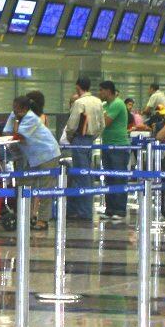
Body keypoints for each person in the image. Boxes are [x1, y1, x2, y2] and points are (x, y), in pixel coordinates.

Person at [7, 93, 60, 231]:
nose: (14, 110)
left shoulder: (31, 117)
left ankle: (43, 220)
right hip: (31, 157)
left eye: (17, 108)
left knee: (45, 187)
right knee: (24, 184)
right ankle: (25, 216)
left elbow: (19, 136)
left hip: (48, 154)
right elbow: (7, 132)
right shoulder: (14, 115)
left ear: (25, 109)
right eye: (13, 107)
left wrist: (16, 122)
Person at [63, 77, 106, 222]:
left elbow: (72, 125)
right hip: (90, 141)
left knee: (81, 176)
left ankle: (84, 211)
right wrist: (93, 137)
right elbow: (102, 125)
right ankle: (79, 209)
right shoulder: (98, 102)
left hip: (79, 140)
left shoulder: (79, 103)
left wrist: (71, 138)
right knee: (87, 174)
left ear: (77, 87)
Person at [97, 80, 131, 220]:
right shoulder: (105, 105)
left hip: (119, 147)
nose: (99, 93)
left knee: (119, 178)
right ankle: (110, 209)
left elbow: (105, 122)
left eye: (101, 90)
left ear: (108, 90)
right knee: (109, 178)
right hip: (107, 145)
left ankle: (120, 210)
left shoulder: (118, 104)